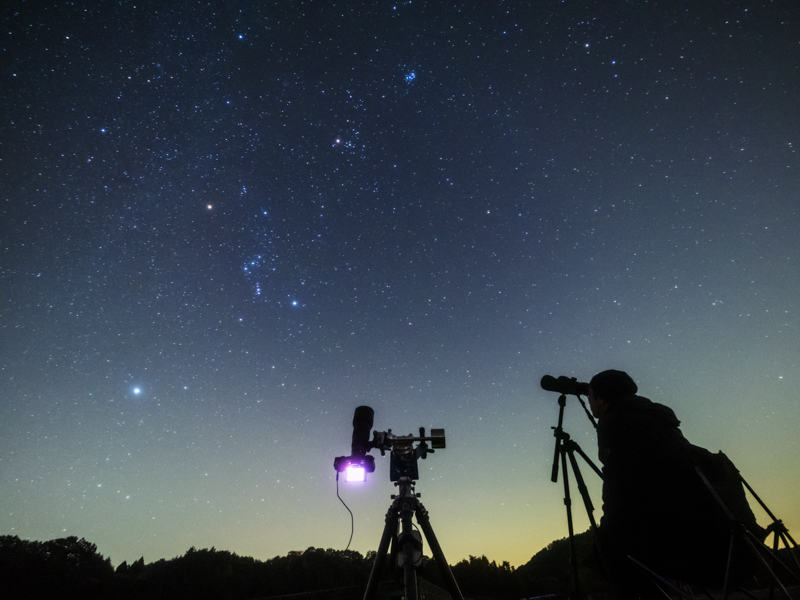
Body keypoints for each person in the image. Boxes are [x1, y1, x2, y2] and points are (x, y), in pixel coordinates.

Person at [587, 370, 763, 598]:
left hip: (687, 547)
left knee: (605, 548)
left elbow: (618, 495)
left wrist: (607, 531)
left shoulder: (614, 423)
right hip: (731, 542)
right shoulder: (660, 421)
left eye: (591, 396)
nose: (589, 402)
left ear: (601, 398)